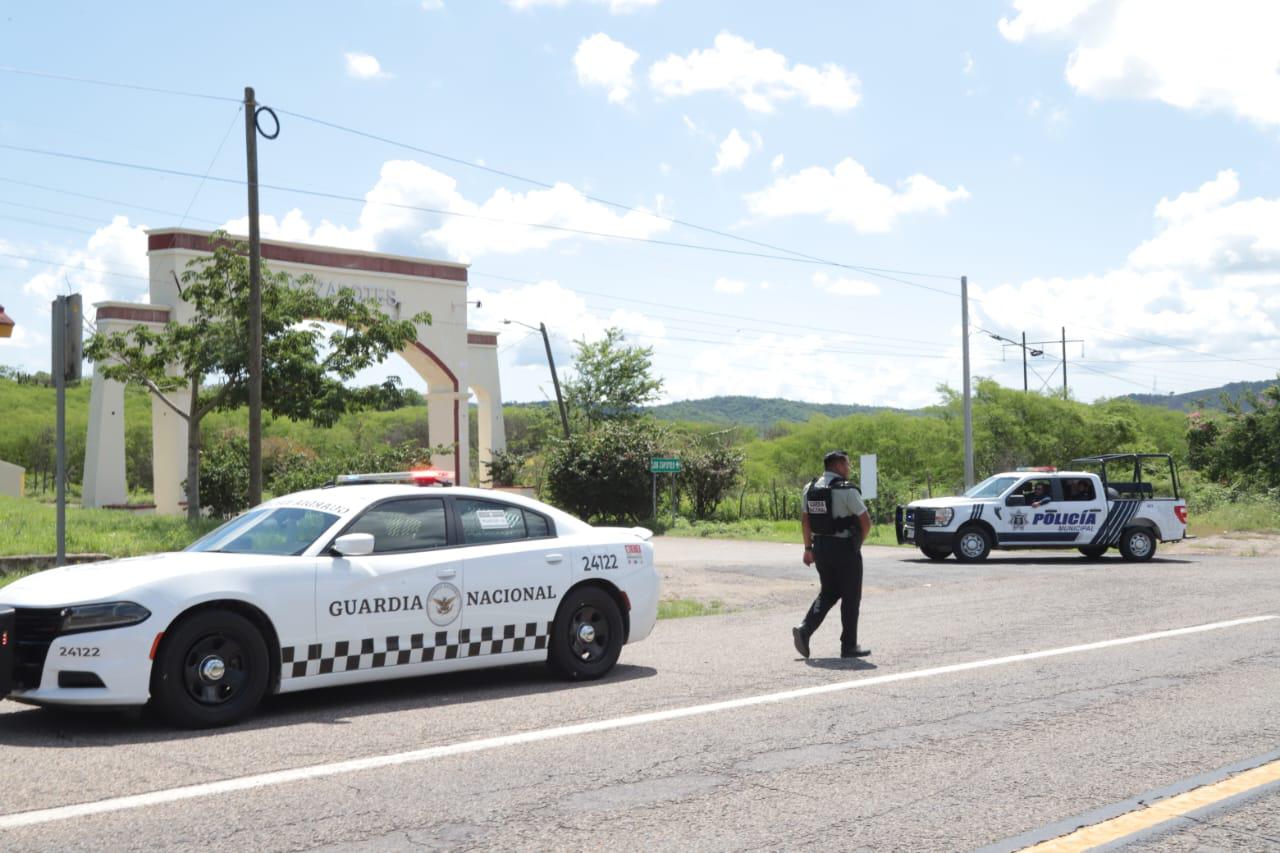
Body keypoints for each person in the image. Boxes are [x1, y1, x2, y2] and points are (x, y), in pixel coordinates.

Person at [792, 450, 873, 660]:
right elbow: (866, 522)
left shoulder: (809, 489)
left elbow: (805, 521)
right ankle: (849, 646)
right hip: (844, 548)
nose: (849, 469)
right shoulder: (847, 490)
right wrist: (857, 544)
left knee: (828, 592)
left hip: (819, 547)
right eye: (847, 465)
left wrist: (808, 548)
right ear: (837, 466)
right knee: (851, 597)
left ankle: (805, 629)